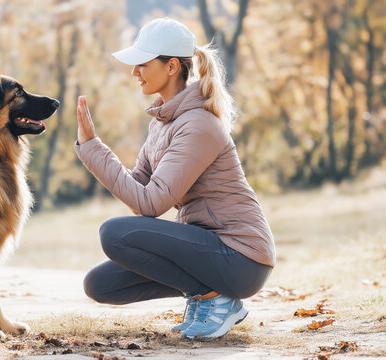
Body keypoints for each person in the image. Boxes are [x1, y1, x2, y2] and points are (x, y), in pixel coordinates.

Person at [74, 17, 275, 339]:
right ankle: (206, 294)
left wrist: (93, 149)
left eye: (142, 63)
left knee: (114, 232)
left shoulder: (199, 125)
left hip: (239, 258)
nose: (134, 71)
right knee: (101, 284)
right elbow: (138, 183)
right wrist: (91, 148)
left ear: (171, 67)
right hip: (210, 251)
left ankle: (215, 299)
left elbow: (150, 204)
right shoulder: (163, 123)